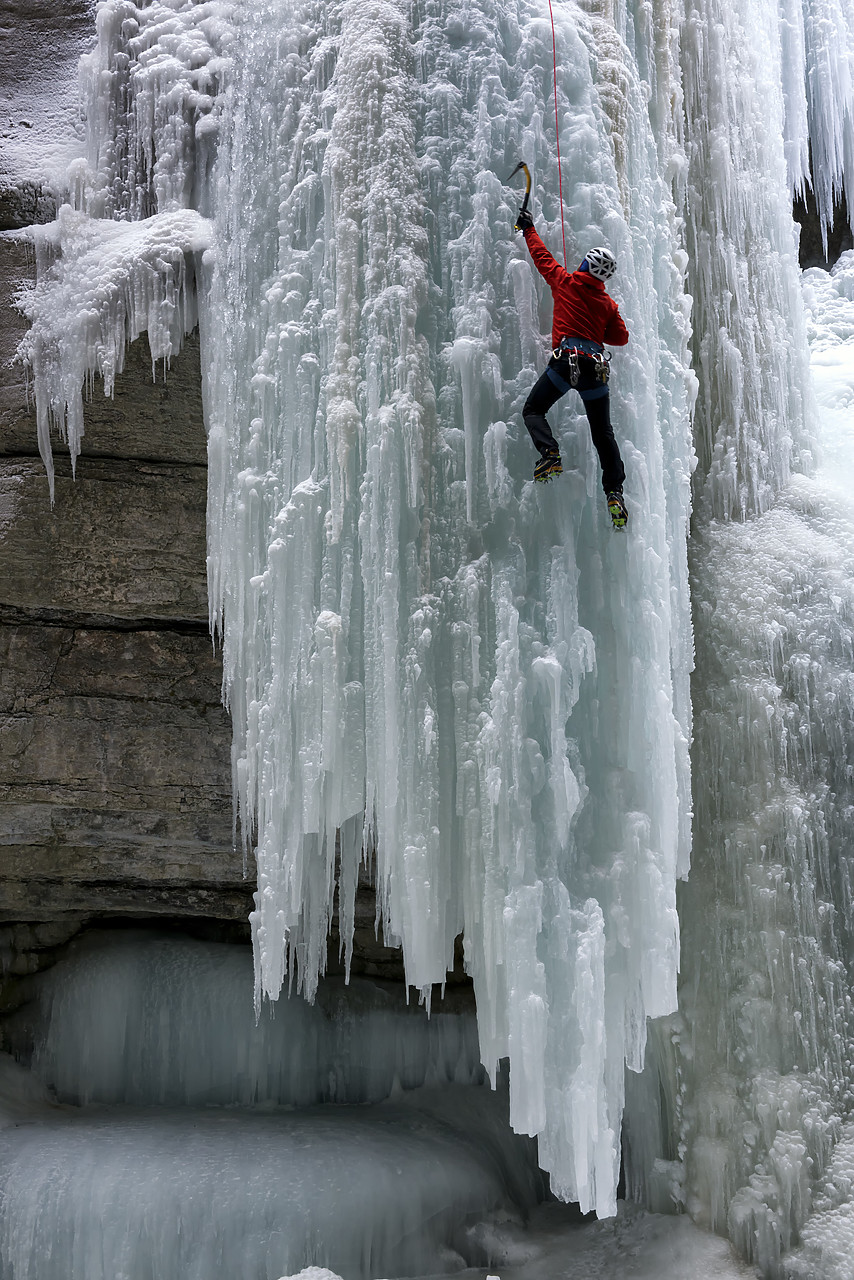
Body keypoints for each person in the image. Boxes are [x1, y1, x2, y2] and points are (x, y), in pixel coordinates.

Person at [516, 209, 629, 528]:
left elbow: (542, 258)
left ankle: (549, 453)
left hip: (567, 363)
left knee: (533, 410)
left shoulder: (565, 281)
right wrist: (599, 325)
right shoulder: (607, 305)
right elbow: (621, 337)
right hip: (595, 369)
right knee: (603, 434)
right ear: (604, 277)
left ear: (585, 265)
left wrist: (528, 228)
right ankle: (615, 493)